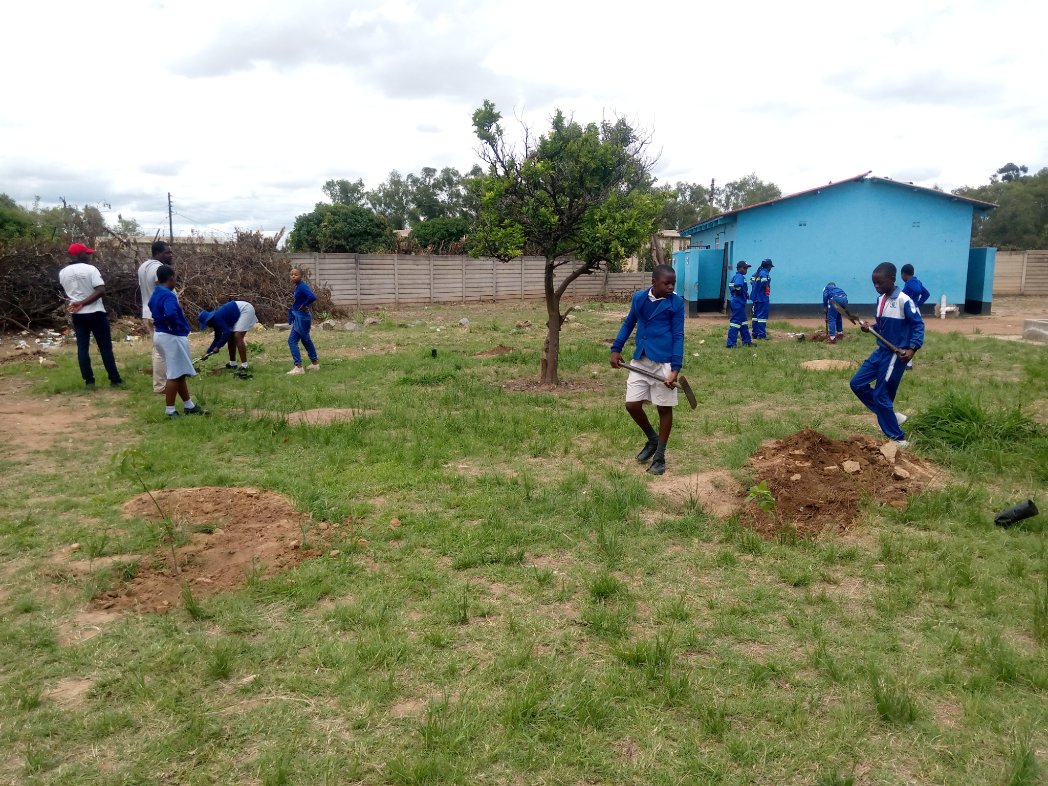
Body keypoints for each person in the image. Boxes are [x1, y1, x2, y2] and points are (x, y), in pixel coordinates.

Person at [610, 264, 685, 476]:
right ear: (654, 282)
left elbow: (678, 335)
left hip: (664, 361)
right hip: (641, 358)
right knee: (632, 404)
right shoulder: (639, 298)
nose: (671, 287)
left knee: (663, 408)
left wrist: (675, 369)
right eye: (666, 283)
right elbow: (628, 324)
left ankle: (660, 456)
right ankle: (652, 439)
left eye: (673, 283)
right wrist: (616, 349)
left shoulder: (676, 304)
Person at [849, 262, 924, 446]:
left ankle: (898, 438)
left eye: (880, 283)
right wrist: (871, 328)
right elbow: (881, 326)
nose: (877, 287)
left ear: (892, 279)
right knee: (857, 383)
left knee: (881, 396)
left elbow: (918, 325)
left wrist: (913, 348)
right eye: (874, 283)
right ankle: (891, 415)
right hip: (881, 351)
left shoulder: (904, 300)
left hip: (895, 354)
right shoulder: (881, 300)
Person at [59, 242, 124, 388]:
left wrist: (79, 303)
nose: (89, 255)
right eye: (87, 253)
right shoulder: (91, 269)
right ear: (80, 255)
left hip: (78, 315)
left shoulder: (63, 272)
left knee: (82, 348)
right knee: (105, 347)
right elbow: (101, 290)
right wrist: (83, 302)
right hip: (96, 313)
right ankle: (115, 379)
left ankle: (89, 381)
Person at [148, 264, 209, 419]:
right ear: (171, 278)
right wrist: (173, 324)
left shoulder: (155, 293)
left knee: (179, 372)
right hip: (171, 336)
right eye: (175, 278)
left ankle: (189, 405)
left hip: (160, 335)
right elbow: (170, 313)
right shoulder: (168, 295)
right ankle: (170, 410)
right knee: (174, 375)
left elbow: (151, 308)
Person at [138, 240, 175, 393]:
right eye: (167, 252)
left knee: (157, 348)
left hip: (147, 311)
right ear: (157, 253)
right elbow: (163, 289)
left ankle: (163, 381)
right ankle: (161, 386)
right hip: (159, 314)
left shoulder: (143, 266)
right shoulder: (159, 269)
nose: (170, 255)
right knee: (162, 349)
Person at [198, 300, 258, 378]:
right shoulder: (215, 321)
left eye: (206, 324)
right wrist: (208, 352)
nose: (207, 326)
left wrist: (218, 347)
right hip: (238, 312)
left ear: (208, 321)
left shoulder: (217, 319)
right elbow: (217, 338)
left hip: (245, 309)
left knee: (237, 336)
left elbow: (226, 333)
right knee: (231, 337)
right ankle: (233, 363)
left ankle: (244, 365)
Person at [287, 267, 320, 375]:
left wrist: (305, 305)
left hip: (302, 317)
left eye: (295, 274)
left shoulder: (302, 286)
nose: (293, 276)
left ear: (301, 276)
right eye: (291, 274)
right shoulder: (298, 286)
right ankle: (315, 364)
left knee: (292, 341)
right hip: (301, 316)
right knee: (306, 340)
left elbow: (312, 296)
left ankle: (299, 367)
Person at [726, 260, 753, 348]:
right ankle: (731, 343)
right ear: (740, 268)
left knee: (743, 323)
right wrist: (740, 293)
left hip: (738, 302)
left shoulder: (735, 277)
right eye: (745, 268)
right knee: (735, 322)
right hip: (738, 303)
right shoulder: (740, 277)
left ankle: (747, 341)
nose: (746, 270)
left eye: (747, 268)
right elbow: (737, 286)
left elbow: (732, 287)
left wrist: (745, 293)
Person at [749, 258, 774, 339]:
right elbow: (763, 281)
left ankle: (755, 333)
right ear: (768, 266)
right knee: (762, 317)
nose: (771, 269)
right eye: (770, 267)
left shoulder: (756, 273)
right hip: (762, 298)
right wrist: (766, 287)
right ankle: (761, 335)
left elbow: (752, 281)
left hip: (756, 298)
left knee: (755, 316)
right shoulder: (764, 272)